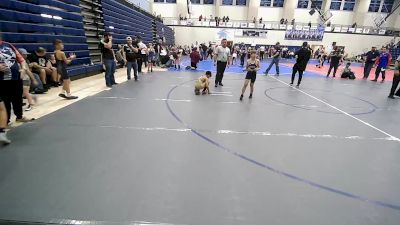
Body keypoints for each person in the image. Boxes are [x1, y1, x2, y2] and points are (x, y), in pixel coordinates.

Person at [0, 36, 33, 124]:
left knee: (17, 98)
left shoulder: (8, 45)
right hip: (2, 80)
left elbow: (21, 59)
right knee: (5, 100)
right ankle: (5, 121)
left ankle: (19, 116)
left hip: (15, 77)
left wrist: (23, 68)